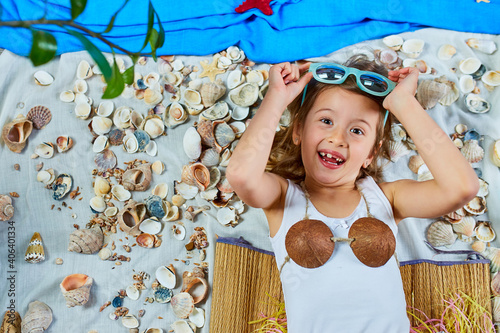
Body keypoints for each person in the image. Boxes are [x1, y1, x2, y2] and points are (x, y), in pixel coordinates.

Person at [226, 54, 479, 332]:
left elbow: (461, 188)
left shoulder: (387, 200)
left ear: (371, 153)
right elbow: (241, 176)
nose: (338, 138)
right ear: (298, 130)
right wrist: (276, 99)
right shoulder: (282, 199)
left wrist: (404, 104)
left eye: (357, 130)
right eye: (326, 121)